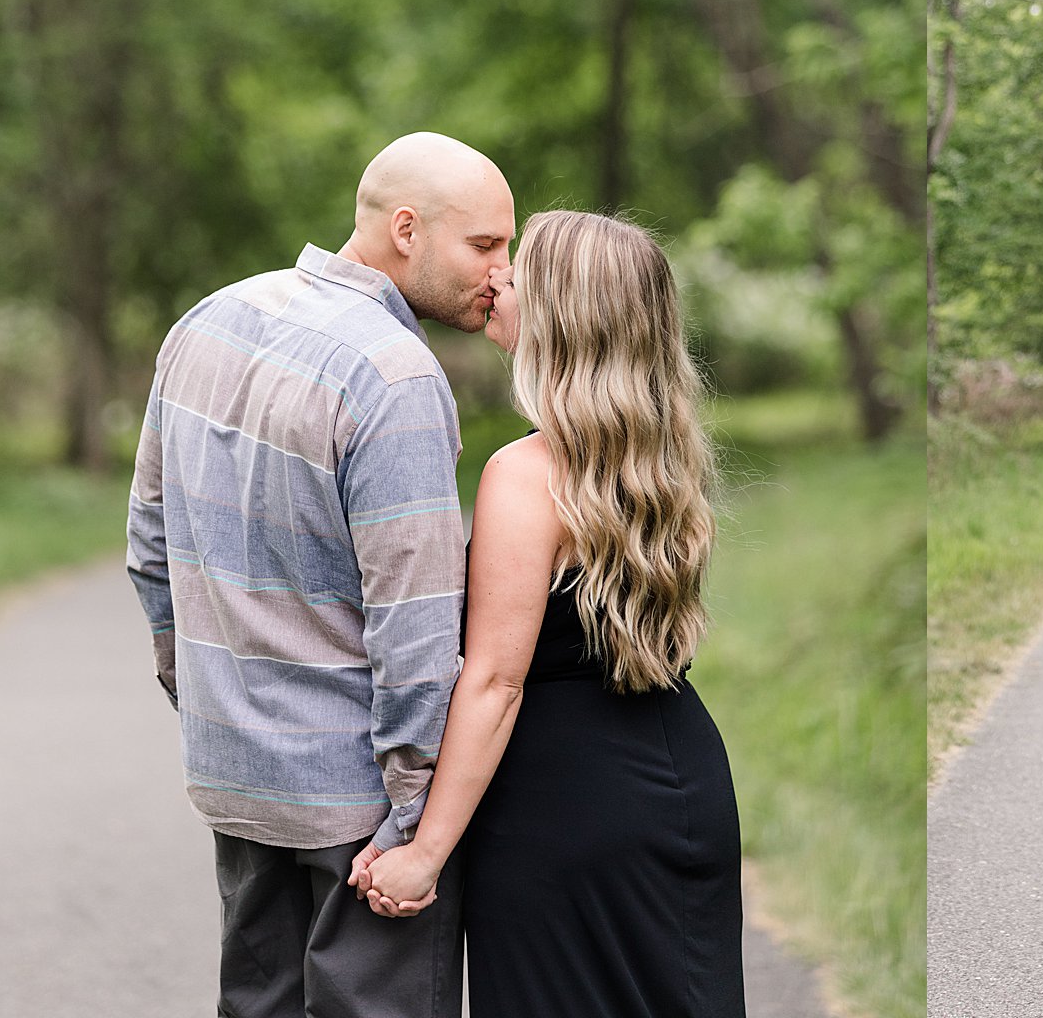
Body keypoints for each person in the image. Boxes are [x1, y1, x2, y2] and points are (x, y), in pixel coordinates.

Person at [126, 132, 515, 1018]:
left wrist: (206, 700)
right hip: (360, 814)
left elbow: (149, 543)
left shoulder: (209, 318)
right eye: (485, 245)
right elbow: (413, 624)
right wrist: (415, 822)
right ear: (407, 229)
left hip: (235, 781)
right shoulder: (397, 376)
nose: (502, 271)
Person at [352, 210, 744, 1018]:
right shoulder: (661, 457)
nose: (497, 277)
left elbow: (496, 681)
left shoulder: (527, 473)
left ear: (566, 311)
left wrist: (424, 853)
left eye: (520, 267)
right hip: (682, 785)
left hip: (561, 815)